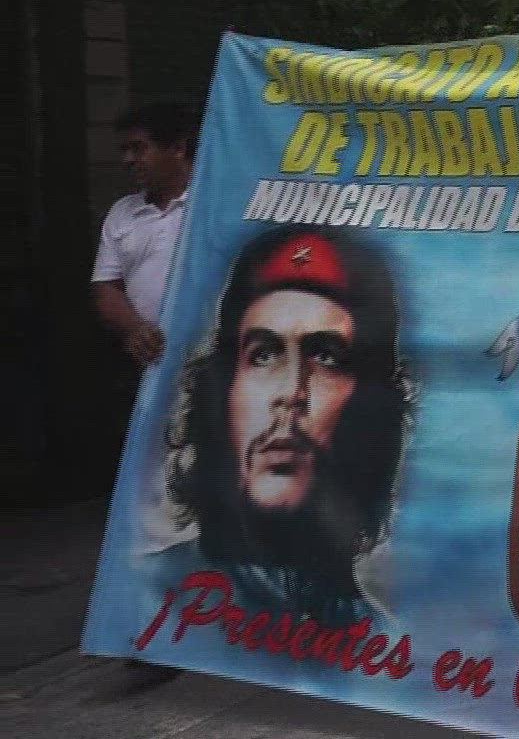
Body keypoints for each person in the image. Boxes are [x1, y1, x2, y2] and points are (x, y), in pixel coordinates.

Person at [151, 224, 409, 626]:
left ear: (369, 409)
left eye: (326, 358)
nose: (291, 392)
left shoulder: (380, 642)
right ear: (223, 392)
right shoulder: (149, 596)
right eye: (264, 355)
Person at [94, 103, 198, 371]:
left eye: (138, 148)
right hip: (148, 362)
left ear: (178, 148)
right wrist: (134, 329)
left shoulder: (214, 207)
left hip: (210, 360)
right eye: (125, 150)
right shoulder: (122, 213)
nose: (128, 160)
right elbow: (107, 287)